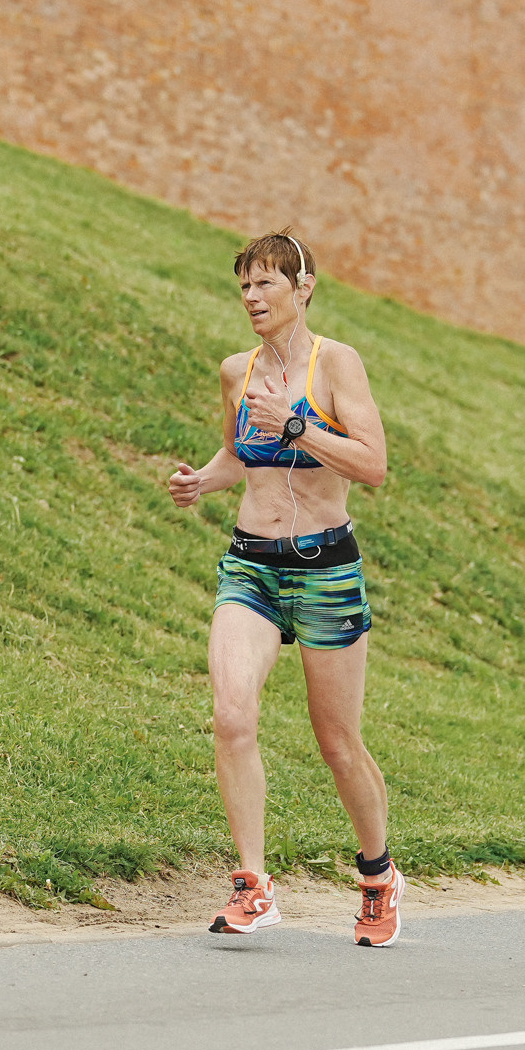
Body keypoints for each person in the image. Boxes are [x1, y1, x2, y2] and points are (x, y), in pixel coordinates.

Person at [166, 232, 404, 947]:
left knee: (337, 743)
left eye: (267, 284)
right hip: (252, 568)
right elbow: (241, 451)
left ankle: (377, 874)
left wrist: (298, 426)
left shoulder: (337, 365)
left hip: (327, 568)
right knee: (232, 715)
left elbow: (373, 465)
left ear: (303, 289)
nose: (252, 298)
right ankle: (252, 883)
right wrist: (203, 479)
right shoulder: (235, 370)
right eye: (244, 285)